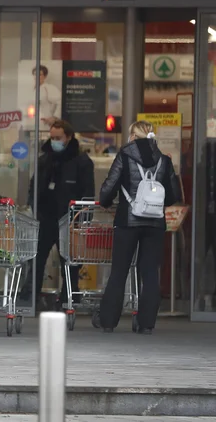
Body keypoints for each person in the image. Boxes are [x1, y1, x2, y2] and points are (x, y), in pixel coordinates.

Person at [99, 121, 182, 334]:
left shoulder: (124, 157)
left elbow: (109, 188)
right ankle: (146, 324)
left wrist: (106, 202)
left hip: (127, 221)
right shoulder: (164, 160)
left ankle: (108, 321)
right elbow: (174, 195)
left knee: (119, 271)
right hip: (154, 223)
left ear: (133, 136)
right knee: (150, 273)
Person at [24, 120, 94, 311]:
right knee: (37, 259)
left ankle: (68, 299)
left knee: (70, 263)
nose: (54, 141)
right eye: (52, 137)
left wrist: (83, 219)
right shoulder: (45, 159)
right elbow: (34, 185)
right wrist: (34, 205)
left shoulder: (81, 162)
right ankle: (31, 298)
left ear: (68, 137)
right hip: (46, 217)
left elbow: (88, 192)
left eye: (58, 138)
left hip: (69, 219)